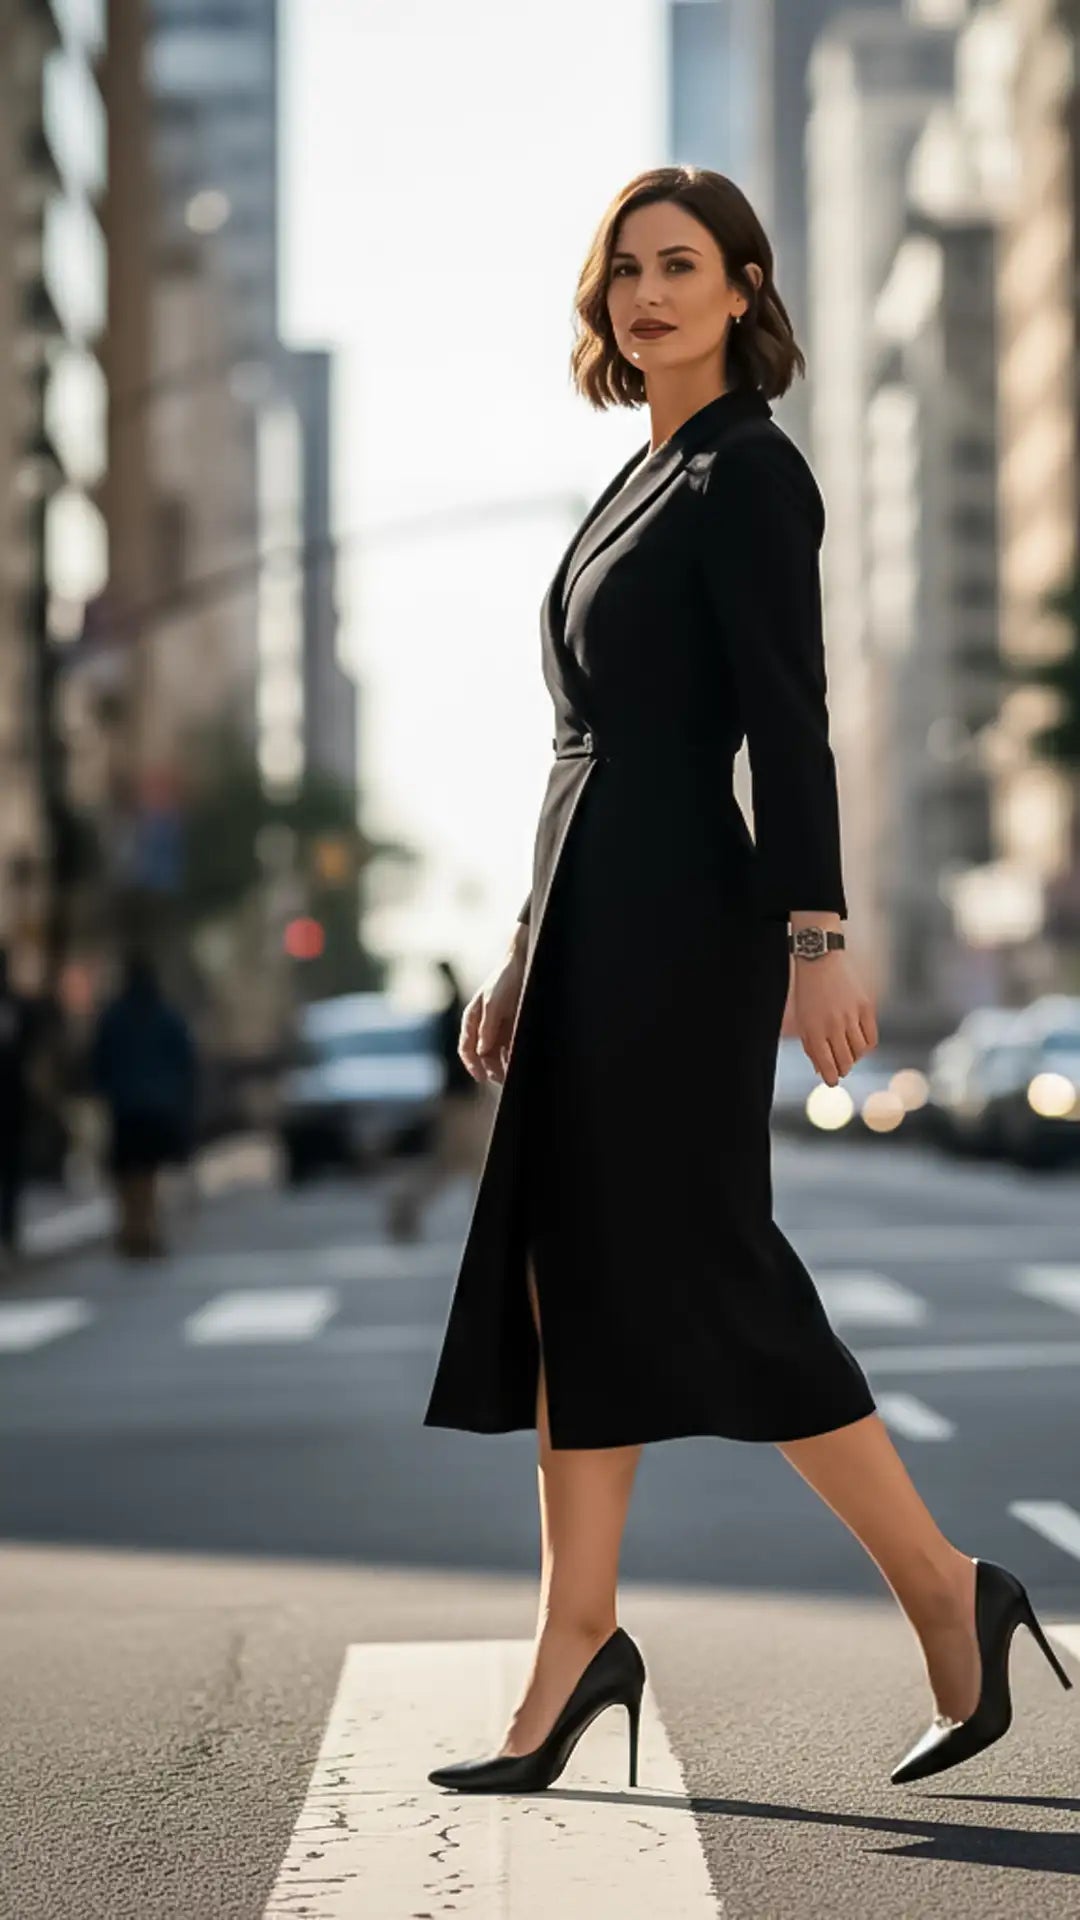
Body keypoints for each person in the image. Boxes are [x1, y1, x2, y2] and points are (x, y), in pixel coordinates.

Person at [422, 167, 1072, 1794]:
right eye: (624, 270)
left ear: (742, 289)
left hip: (682, 930)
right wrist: (516, 947)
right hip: (589, 920)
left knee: (707, 1265)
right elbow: (580, 746)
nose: (646, 295)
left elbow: (791, 716)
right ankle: (582, 1641)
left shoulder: (749, 475)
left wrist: (820, 933)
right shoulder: (635, 480)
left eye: (680, 267)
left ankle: (946, 1589)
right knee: (577, 1277)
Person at [89, 954, 198, 1258]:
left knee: (128, 1173)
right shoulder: (166, 1015)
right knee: (147, 1173)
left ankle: (134, 1228)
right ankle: (144, 1229)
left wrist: (103, 1091)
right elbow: (185, 1062)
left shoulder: (115, 1016)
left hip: (126, 1107)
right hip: (158, 1106)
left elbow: (99, 1061)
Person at [385, 960, 491, 1242]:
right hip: (463, 1102)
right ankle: (407, 1206)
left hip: (459, 1100)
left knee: (459, 1165)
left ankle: (408, 1207)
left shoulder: (451, 1015)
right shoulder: (454, 1016)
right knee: (466, 1164)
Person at [0, 949, 38, 1262]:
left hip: (13, 1102)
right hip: (13, 1101)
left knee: (11, 1170)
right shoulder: (19, 1007)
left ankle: (9, 1230)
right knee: (11, 1170)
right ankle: (9, 1231)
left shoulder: (21, 1008)